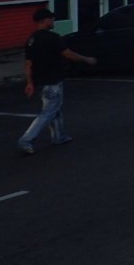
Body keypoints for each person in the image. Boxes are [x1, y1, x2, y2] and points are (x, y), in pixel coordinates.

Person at [17, 8, 96, 156]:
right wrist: (87, 59)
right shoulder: (53, 37)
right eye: (51, 19)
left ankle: (59, 136)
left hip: (40, 81)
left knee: (55, 108)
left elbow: (28, 64)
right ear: (44, 21)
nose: (53, 22)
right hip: (52, 80)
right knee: (48, 112)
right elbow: (68, 54)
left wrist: (29, 83)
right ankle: (26, 140)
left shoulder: (30, 40)